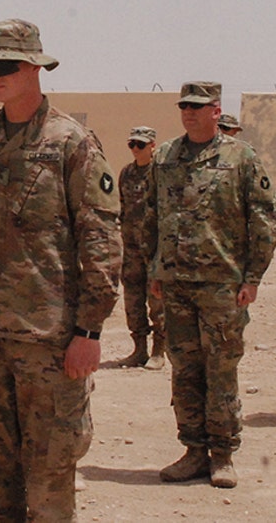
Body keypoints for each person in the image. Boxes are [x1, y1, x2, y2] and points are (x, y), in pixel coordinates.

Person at [0, 18, 121, 521]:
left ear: (36, 67)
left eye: (6, 65)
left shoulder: (71, 143)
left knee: (50, 480)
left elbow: (100, 238)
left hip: (50, 342)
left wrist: (89, 329)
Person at [143, 82, 276, 488]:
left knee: (221, 369)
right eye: (184, 105)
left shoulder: (241, 157)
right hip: (176, 282)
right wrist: (155, 268)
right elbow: (153, 214)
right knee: (185, 370)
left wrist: (252, 277)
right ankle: (193, 451)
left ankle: (222, 455)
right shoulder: (165, 155)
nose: (189, 112)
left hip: (222, 283)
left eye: (198, 106)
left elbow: (265, 220)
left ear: (215, 110)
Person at [117, 126, 164, 370]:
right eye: (132, 144)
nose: (136, 149)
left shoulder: (160, 173)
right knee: (133, 299)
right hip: (131, 248)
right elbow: (123, 208)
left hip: (154, 248)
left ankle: (159, 351)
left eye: (141, 144)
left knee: (156, 300)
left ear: (152, 145)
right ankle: (139, 349)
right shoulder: (126, 173)